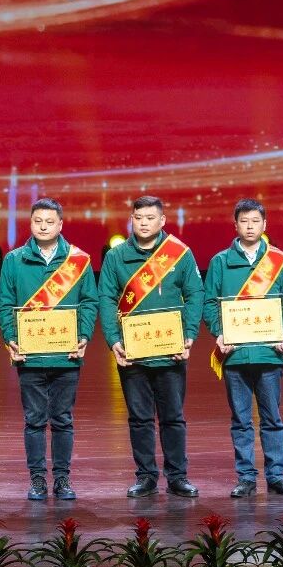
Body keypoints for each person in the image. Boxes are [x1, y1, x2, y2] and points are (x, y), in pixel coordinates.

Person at [98, 195, 205, 498]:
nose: (143, 223)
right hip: (133, 353)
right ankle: (145, 476)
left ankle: (178, 476)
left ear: (162, 221)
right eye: (138, 217)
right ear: (131, 219)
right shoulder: (116, 257)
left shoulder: (179, 254)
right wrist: (113, 340)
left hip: (171, 352)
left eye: (150, 218)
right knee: (140, 418)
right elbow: (106, 298)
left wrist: (189, 334)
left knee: (173, 417)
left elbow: (196, 294)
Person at [0, 198, 99, 501]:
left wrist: (83, 335)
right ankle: (38, 479)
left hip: (66, 355)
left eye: (49, 222)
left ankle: (63, 478)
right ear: (31, 223)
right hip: (29, 356)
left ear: (60, 224)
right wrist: (11, 338)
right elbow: (5, 303)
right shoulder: (14, 260)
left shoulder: (78, 260)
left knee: (63, 419)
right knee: (34, 419)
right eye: (38, 221)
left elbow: (89, 302)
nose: (43, 227)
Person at [203, 199, 283, 498]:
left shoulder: (279, 260)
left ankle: (277, 476)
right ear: (235, 225)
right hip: (235, 354)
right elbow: (210, 303)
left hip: (269, 353)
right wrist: (220, 332)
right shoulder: (221, 262)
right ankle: (246, 478)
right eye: (244, 221)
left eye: (255, 221)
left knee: (272, 419)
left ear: (264, 225)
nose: (250, 226)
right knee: (241, 421)